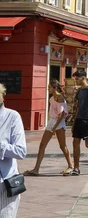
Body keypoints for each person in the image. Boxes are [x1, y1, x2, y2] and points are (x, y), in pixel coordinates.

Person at [24, 80, 73, 176]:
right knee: (42, 145)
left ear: (55, 88)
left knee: (62, 146)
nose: (48, 89)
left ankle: (71, 166)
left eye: (49, 87)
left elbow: (62, 114)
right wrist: (51, 126)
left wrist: (54, 128)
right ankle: (36, 169)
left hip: (59, 123)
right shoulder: (51, 98)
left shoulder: (60, 98)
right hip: (52, 121)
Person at [0, 83, 27, 218]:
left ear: (3, 95)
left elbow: (21, 151)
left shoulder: (12, 117)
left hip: (4, 185)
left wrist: (1, 146)